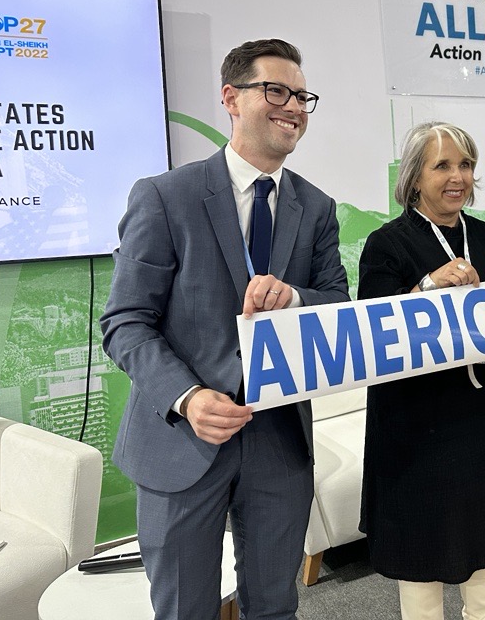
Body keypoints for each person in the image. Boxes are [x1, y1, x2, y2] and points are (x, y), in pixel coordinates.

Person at [100, 38, 349, 620]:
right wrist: (187, 398)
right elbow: (125, 322)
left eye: (302, 96)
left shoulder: (316, 208)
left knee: (274, 607)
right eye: (277, 91)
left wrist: (294, 297)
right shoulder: (166, 197)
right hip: (183, 440)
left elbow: (336, 303)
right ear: (230, 98)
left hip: (280, 442)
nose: (294, 106)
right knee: (185, 609)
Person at [358, 121, 485, 620]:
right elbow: (374, 336)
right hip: (414, 426)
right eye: (443, 165)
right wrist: (426, 287)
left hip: (478, 415)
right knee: (421, 566)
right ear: (413, 178)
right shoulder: (386, 244)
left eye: (466, 165)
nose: (458, 177)